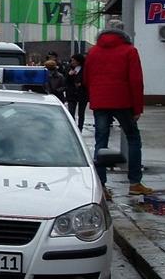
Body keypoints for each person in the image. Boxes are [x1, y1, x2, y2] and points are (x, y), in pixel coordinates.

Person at [84, 21, 152, 197]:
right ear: (123, 33)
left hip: (100, 101)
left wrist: (96, 95)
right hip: (123, 102)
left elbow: (86, 79)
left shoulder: (93, 52)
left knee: (101, 143)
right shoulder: (129, 51)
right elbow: (136, 81)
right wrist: (137, 108)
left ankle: (101, 187)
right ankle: (135, 183)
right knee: (133, 138)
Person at [65, 54, 88, 132]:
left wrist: (81, 83)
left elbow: (88, 79)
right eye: (72, 60)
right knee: (71, 112)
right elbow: (65, 80)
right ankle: (73, 128)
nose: (72, 62)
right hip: (71, 93)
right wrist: (69, 75)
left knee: (81, 113)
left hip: (82, 93)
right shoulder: (69, 68)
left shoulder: (85, 69)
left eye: (74, 60)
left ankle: (80, 128)